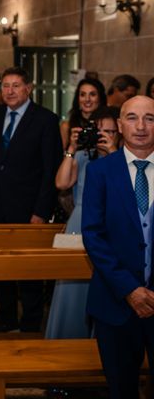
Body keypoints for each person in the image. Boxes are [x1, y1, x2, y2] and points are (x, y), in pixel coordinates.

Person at [0, 66, 62, 332]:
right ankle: (6, 318)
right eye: (5, 86)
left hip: (29, 207)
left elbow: (51, 169)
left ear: (28, 88)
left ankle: (31, 321)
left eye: (16, 86)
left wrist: (41, 210)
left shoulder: (46, 119)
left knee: (29, 268)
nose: (10, 91)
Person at [83, 96, 154, 399]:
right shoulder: (101, 172)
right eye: (132, 117)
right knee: (121, 390)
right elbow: (94, 235)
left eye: (150, 118)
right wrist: (129, 289)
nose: (141, 126)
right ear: (120, 125)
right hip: (115, 303)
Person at [46, 107, 120, 340]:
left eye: (110, 132)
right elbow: (61, 183)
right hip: (80, 221)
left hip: (111, 226)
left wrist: (112, 152)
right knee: (72, 290)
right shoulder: (82, 156)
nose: (104, 136)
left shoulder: (121, 160)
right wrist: (71, 148)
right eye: (100, 131)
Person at [59, 77, 106, 149]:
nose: (87, 99)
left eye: (92, 94)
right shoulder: (67, 126)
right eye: (83, 95)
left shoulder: (108, 125)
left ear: (100, 98)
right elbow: (59, 157)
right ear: (77, 99)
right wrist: (72, 147)